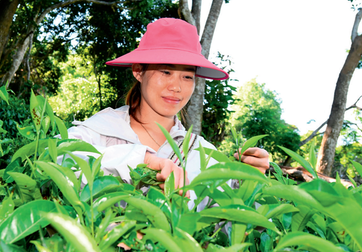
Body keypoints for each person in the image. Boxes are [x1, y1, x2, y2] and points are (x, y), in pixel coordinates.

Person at [65, 18, 270, 204]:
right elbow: (56, 156)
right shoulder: (103, 129)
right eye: (166, 71)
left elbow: (226, 226)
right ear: (138, 71)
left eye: (187, 77)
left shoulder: (203, 153)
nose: (176, 87)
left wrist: (248, 183)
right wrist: (143, 160)